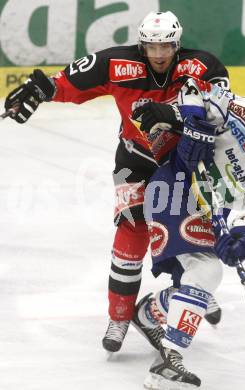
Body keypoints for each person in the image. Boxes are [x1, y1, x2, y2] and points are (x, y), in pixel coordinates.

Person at [3, 11, 230, 353]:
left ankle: (187, 290)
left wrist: (176, 115)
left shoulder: (203, 66)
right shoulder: (115, 63)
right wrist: (40, 90)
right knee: (132, 230)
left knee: (190, 232)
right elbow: (66, 82)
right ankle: (120, 317)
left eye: (165, 45)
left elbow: (221, 111)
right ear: (141, 45)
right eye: (151, 46)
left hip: (184, 165)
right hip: (135, 162)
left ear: (176, 44)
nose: (158, 54)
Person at [131, 77, 245, 389]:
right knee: (207, 271)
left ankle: (149, 313)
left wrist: (242, 240)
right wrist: (189, 120)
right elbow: (193, 88)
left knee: (201, 279)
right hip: (176, 185)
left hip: (212, 208)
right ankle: (167, 361)